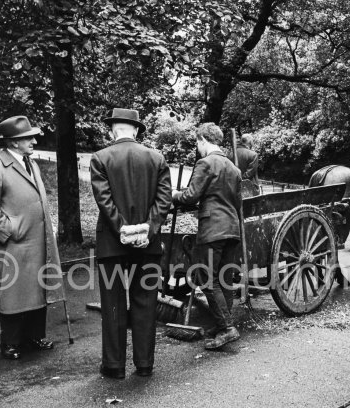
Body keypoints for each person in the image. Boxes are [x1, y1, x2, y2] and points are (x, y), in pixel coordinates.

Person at [90, 108, 172, 379]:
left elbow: (104, 201)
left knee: (112, 304)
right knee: (145, 303)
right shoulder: (156, 158)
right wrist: (147, 229)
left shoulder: (100, 158)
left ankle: (114, 366)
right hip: (148, 245)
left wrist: (123, 229)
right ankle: (145, 364)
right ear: (135, 130)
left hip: (112, 244)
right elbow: (164, 201)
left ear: (113, 130)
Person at [0, 115, 60, 360]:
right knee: (13, 291)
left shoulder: (30, 163)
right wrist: (10, 230)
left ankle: (34, 336)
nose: (33, 141)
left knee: (38, 288)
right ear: (13, 142)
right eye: (27, 138)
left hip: (38, 240)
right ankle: (11, 343)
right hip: (14, 243)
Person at [172, 122, 242, 350]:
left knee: (207, 279)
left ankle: (228, 327)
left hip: (212, 229)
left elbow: (191, 197)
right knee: (225, 279)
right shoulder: (233, 168)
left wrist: (175, 194)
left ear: (203, 140)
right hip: (232, 229)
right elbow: (237, 202)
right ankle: (223, 325)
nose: (197, 147)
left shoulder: (205, 163)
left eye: (197, 143)